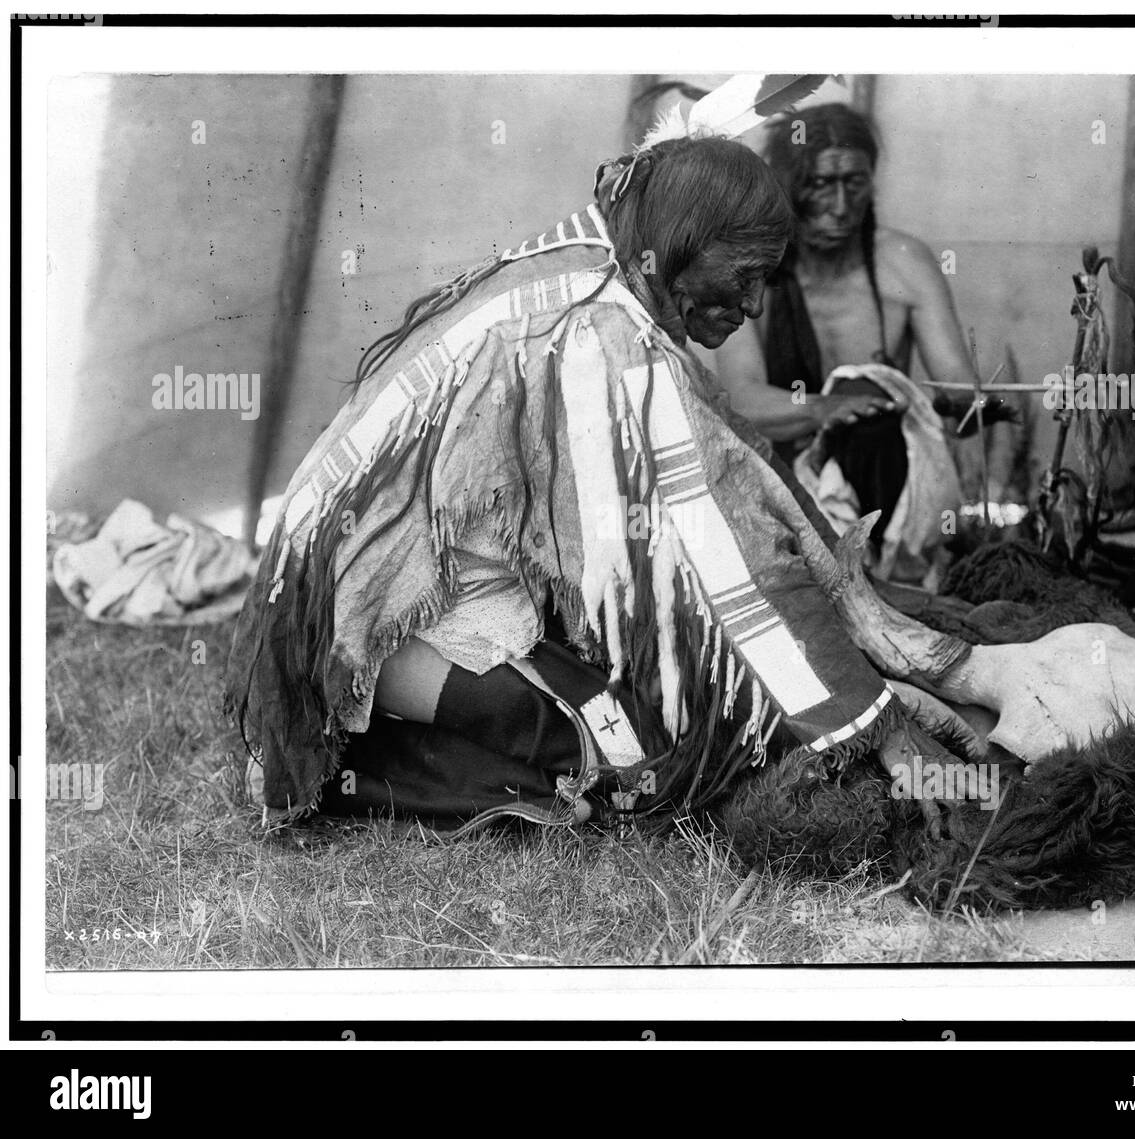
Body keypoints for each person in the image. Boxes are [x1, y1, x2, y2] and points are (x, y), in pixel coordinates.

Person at [225, 131, 952, 835]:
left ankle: (439, 739)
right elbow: (730, 554)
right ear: (683, 244)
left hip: (387, 588)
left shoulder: (596, 257)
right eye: (746, 272)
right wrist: (874, 719)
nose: (756, 303)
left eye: (768, 277)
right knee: (634, 761)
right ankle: (361, 758)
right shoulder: (603, 331)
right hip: (353, 625)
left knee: (629, 711)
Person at [713, 103, 1012, 578]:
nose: (839, 206)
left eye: (853, 183)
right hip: (781, 490)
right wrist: (822, 409)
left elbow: (954, 380)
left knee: (873, 430)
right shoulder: (751, 269)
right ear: (786, 185)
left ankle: (893, 571)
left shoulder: (904, 262)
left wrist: (973, 405)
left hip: (887, 486)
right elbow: (742, 400)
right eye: (819, 184)